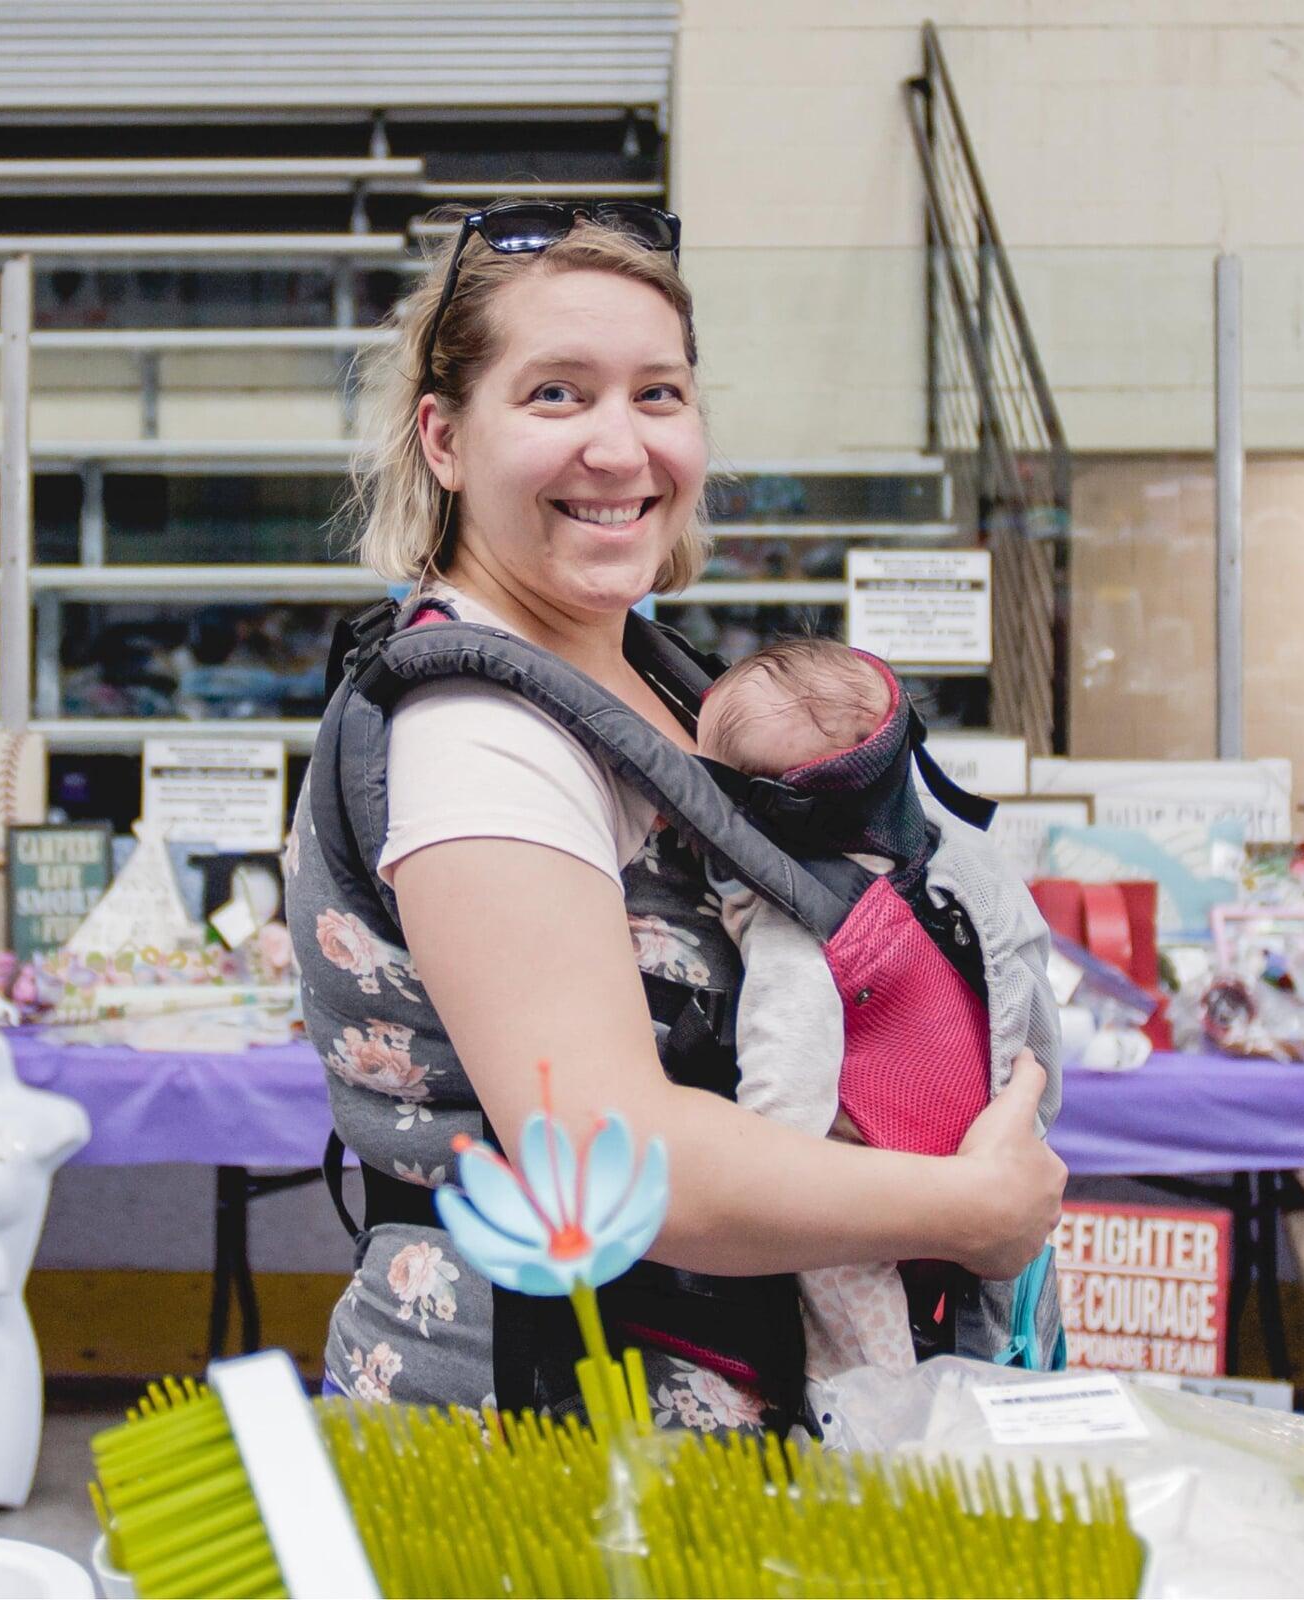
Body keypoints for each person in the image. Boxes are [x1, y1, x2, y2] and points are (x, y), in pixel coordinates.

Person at [287, 201, 1066, 1429]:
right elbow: (610, 1150)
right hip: (545, 1448)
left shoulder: (662, 678)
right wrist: (970, 1211)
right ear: (442, 437)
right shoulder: (474, 730)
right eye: (555, 395)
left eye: (657, 394)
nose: (619, 447)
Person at [696, 636, 1053, 1397]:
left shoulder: (796, 920)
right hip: (992, 1152)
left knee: (856, 1331)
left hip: (867, 1192)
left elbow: (782, 1114)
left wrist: (767, 1179)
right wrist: (1028, 1119)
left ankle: (880, 1429)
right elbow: (1034, 1014)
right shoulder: (967, 862)